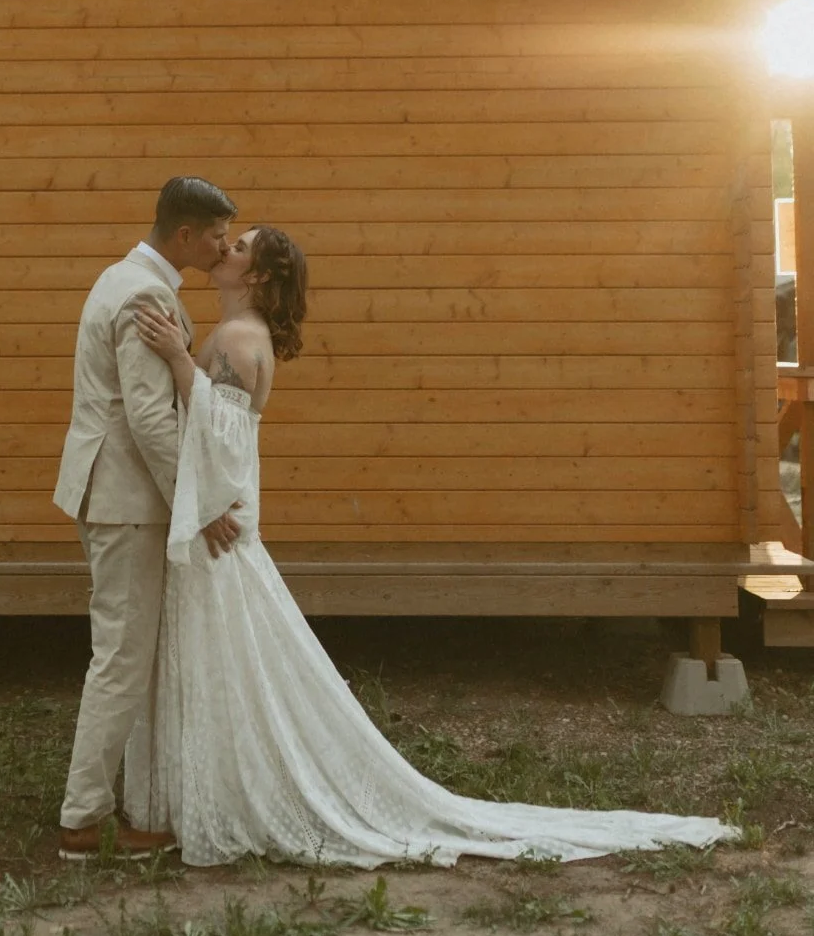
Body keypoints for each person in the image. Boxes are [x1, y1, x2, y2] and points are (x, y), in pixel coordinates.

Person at [128, 225, 736, 868]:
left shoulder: (237, 340)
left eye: (241, 247)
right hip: (219, 521)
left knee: (231, 664)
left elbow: (220, 442)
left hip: (220, 529)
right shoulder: (231, 337)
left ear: (258, 278)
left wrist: (174, 361)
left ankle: (227, 797)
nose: (226, 249)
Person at [55, 175, 242, 861]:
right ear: (186, 234)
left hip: (111, 492)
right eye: (218, 235)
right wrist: (202, 501)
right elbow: (148, 419)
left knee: (127, 654)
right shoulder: (143, 292)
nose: (224, 247)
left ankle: (125, 807)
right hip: (125, 499)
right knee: (123, 660)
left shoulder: (122, 275)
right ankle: (82, 821)